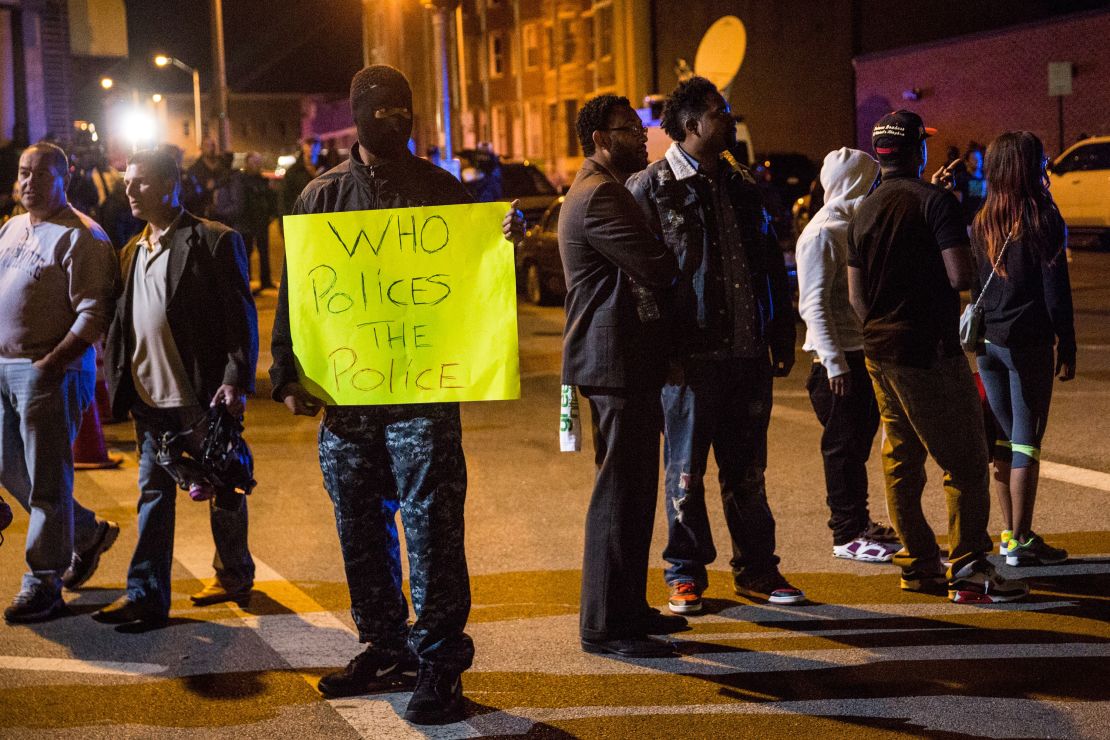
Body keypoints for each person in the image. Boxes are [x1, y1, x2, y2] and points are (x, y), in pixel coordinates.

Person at [271, 65, 522, 724]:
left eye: (404, 110)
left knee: (432, 528)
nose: (396, 120)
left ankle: (440, 663)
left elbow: (473, 283)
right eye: (382, 111)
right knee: (357, 523)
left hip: (422, 398)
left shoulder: (440, 189)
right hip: (349, 400)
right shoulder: (321, 197)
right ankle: (385, 646)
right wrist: (285, 370)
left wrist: (500, 251)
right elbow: (298, 295)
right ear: (358, 115)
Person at [626, 77, 801, 615]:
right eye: (718, 112)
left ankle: (757, 569)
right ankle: (684, 574)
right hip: (689, 360)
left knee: (747, 469)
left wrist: (780, 330)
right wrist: (662, 349)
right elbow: (639, 279)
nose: (727, 119)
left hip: (745, 353)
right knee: (685, 470)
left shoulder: (743, 184)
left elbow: (770, 262)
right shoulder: (650, 188)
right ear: (689, 126)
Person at [847, 109, 1027, 603]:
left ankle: (918, 565)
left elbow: (857, 295)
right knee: (966, 461)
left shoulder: (862, 207)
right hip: (929, 351)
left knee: (901, 460)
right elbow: (959, 276)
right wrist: (950, 219)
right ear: (915, 150)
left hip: (880, 351)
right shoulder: (935, 203)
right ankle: (968, 567)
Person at [95, 147, 258, 628]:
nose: (129, 189)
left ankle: (233, 572)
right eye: (127, 181)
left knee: (225, 484)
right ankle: (146, 594)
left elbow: (239, 317)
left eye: (141, 181)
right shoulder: (130, 251)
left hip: (200, 396)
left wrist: (235, 380)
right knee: (153, 494)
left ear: (171, 184)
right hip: (150, 399)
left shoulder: (212, 241)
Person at [559, 94, 682, 657]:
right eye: (629, 129)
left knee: (633, 493)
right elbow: (656, 265)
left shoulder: (599, 188)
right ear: (599, 139)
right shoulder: (601, 194)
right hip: (615, 360)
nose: (643, 135)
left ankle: (628, 607)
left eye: (641, 126)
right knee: (618, 494)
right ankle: (606, 625)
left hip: (622, 359)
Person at [0, 142, 120, 623]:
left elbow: (94, 311)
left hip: (51, 370)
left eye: (41, 175)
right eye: (24, 173)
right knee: (13, 469)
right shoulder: (11, 229)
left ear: (63, 179)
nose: (29, 183)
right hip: (5, 368)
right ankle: (87, 532)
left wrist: (54, 361)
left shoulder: (82, 237)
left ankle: (44, 581)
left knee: (47, 481)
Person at [970, 131, 1075, 566]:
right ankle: (1023, 539)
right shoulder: (1043, 217)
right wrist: (1066, 342)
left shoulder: (981, 220)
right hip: (1027, 342)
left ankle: (1009, 536)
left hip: (987, 344)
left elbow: (975, 286)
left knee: (1002, 442)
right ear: (1029, 165)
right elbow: (1056, 292)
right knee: (1026, 443)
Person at [796, 147, 900, 563]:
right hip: (835, 361)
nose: (876, 186)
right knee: (841, 448)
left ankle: (859, 521)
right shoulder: (822, 233)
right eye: (870, 179)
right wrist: (834, 361)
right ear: (854, 182)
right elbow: (813, 303)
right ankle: (846, 534)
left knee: (857, 446)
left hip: (859, 353)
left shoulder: (851, 225)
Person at [213, 152, 277, 292]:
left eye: (258, 162)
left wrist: (270, 213)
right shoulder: (241, 180)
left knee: (263, 252)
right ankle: (245, 284)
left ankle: (265, 280)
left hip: (260, 221)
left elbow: (269, 199)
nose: (257, 165)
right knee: (246, 254)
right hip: (246, 222)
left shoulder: (261, 180)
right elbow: (241, 202)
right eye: (254, 162)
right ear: (247, 163)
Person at [186, 138, 229, 219]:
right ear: (201, 148)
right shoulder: (194, 170)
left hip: (223, 213)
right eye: (207, 145)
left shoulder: (223, 167)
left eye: (212, 145)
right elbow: (192, 193)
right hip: (203, 213)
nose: (211, 148)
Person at [281, 137, 320, 217]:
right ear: (303, 146)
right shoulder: (293, 172)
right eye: (309, 144)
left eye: (315, 144)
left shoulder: (327, 167)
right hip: (302, 217)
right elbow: (285, 198)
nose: (312, 147)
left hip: (323, 216)